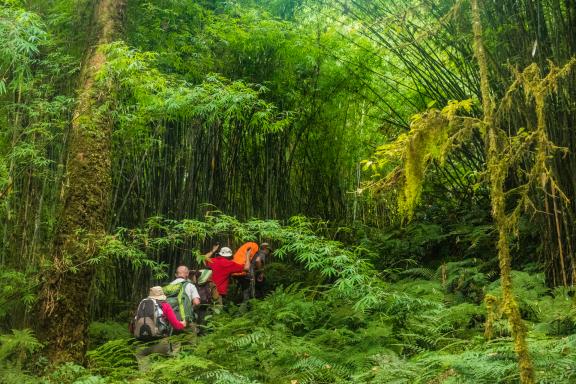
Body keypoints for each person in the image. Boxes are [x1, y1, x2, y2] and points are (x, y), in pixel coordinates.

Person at [135, 286, 185, 370]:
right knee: (176, 344)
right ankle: (171, 372)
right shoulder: (165, 305)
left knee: (143, 368)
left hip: (141, 343)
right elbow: (176, 325)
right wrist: (183, 324)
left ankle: (145, 377)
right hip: (159, 343)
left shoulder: (142, 304)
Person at [164, 265, 201, 330]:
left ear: (176, 275)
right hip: (185, 320)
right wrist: (191, 309)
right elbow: (196, 302)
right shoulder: (190, 285)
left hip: (170, 320)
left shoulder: (169, 286)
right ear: (187, 274)